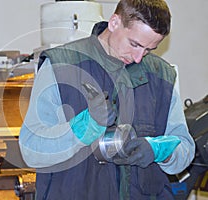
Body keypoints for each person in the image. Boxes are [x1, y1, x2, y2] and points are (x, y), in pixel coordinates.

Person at [19, 0, 195, 199]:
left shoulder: (161, 75)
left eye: (148, 50)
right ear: (114, 22)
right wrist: (82, 128)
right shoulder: (62, 66)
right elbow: (31, 150)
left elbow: (185, 149)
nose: (138, 57)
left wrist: (161, 151)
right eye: (134, 44)